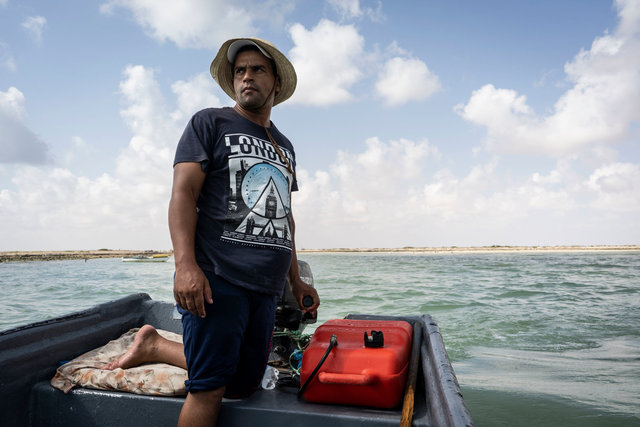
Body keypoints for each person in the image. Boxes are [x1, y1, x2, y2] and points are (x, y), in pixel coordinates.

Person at [103, 37, 319, 427]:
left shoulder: (285, 147)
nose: (247, 77)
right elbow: (183, 193)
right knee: (209, 389)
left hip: (266, 287)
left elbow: (284, 218)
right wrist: (185, 266)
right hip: (219, 277)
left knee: (242, 383)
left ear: (276, 84)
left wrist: (296, 281)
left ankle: (155, 345)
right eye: (240, 71)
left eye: (257, 70)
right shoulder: (210, 122)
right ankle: (160, 346)